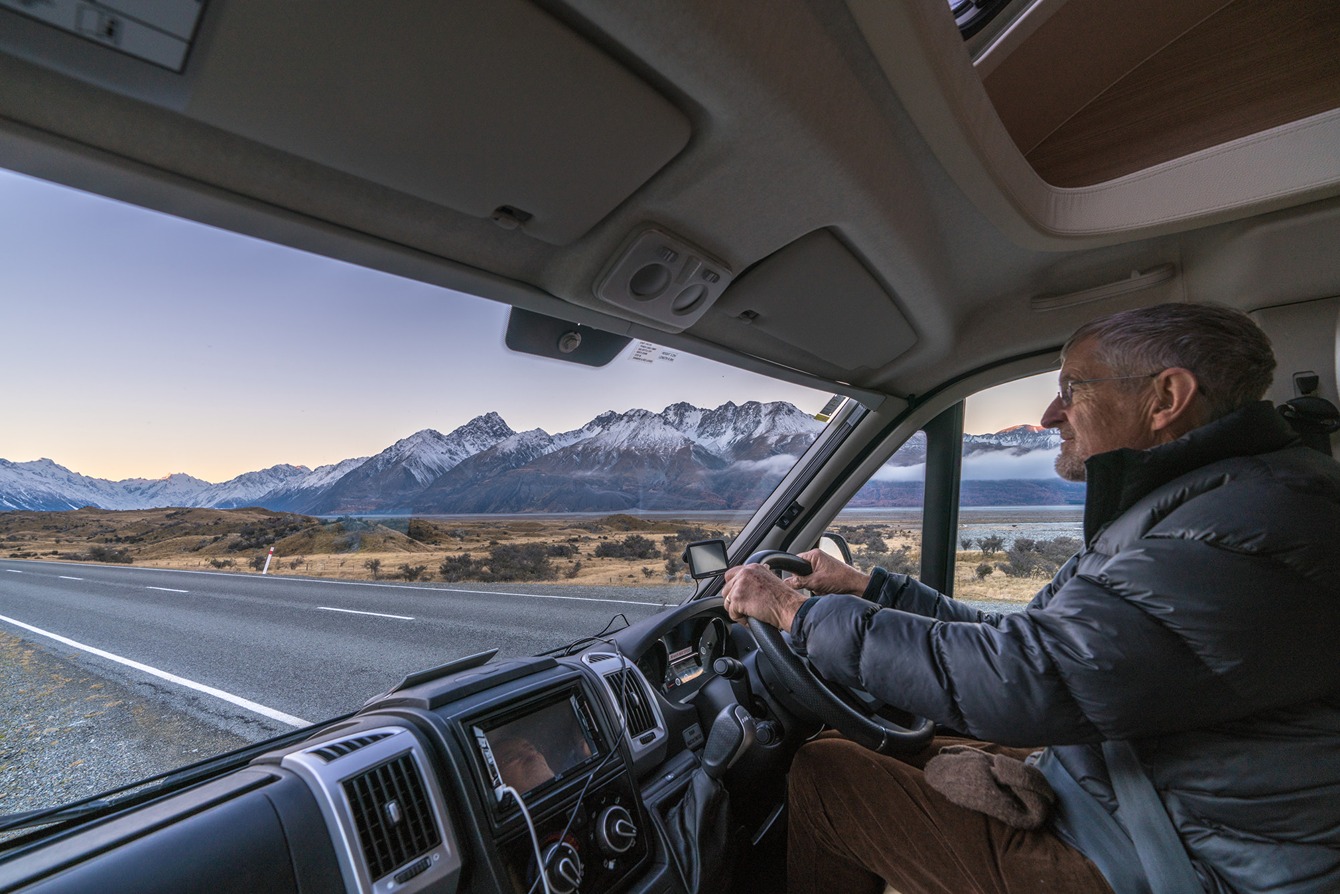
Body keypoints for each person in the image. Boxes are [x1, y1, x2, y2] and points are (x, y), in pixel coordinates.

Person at [721, 303, 1340, 894]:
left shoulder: (1238, 525)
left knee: (830, 778)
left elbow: (1031, 675)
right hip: (1143, 790)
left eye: (1074, 388)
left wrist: (793, 613)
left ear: (1165, 399)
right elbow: (1027, 640)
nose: (1049, 414)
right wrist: (868, 588)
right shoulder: (1205, 503)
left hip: (1188, 861)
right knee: (854, 742)